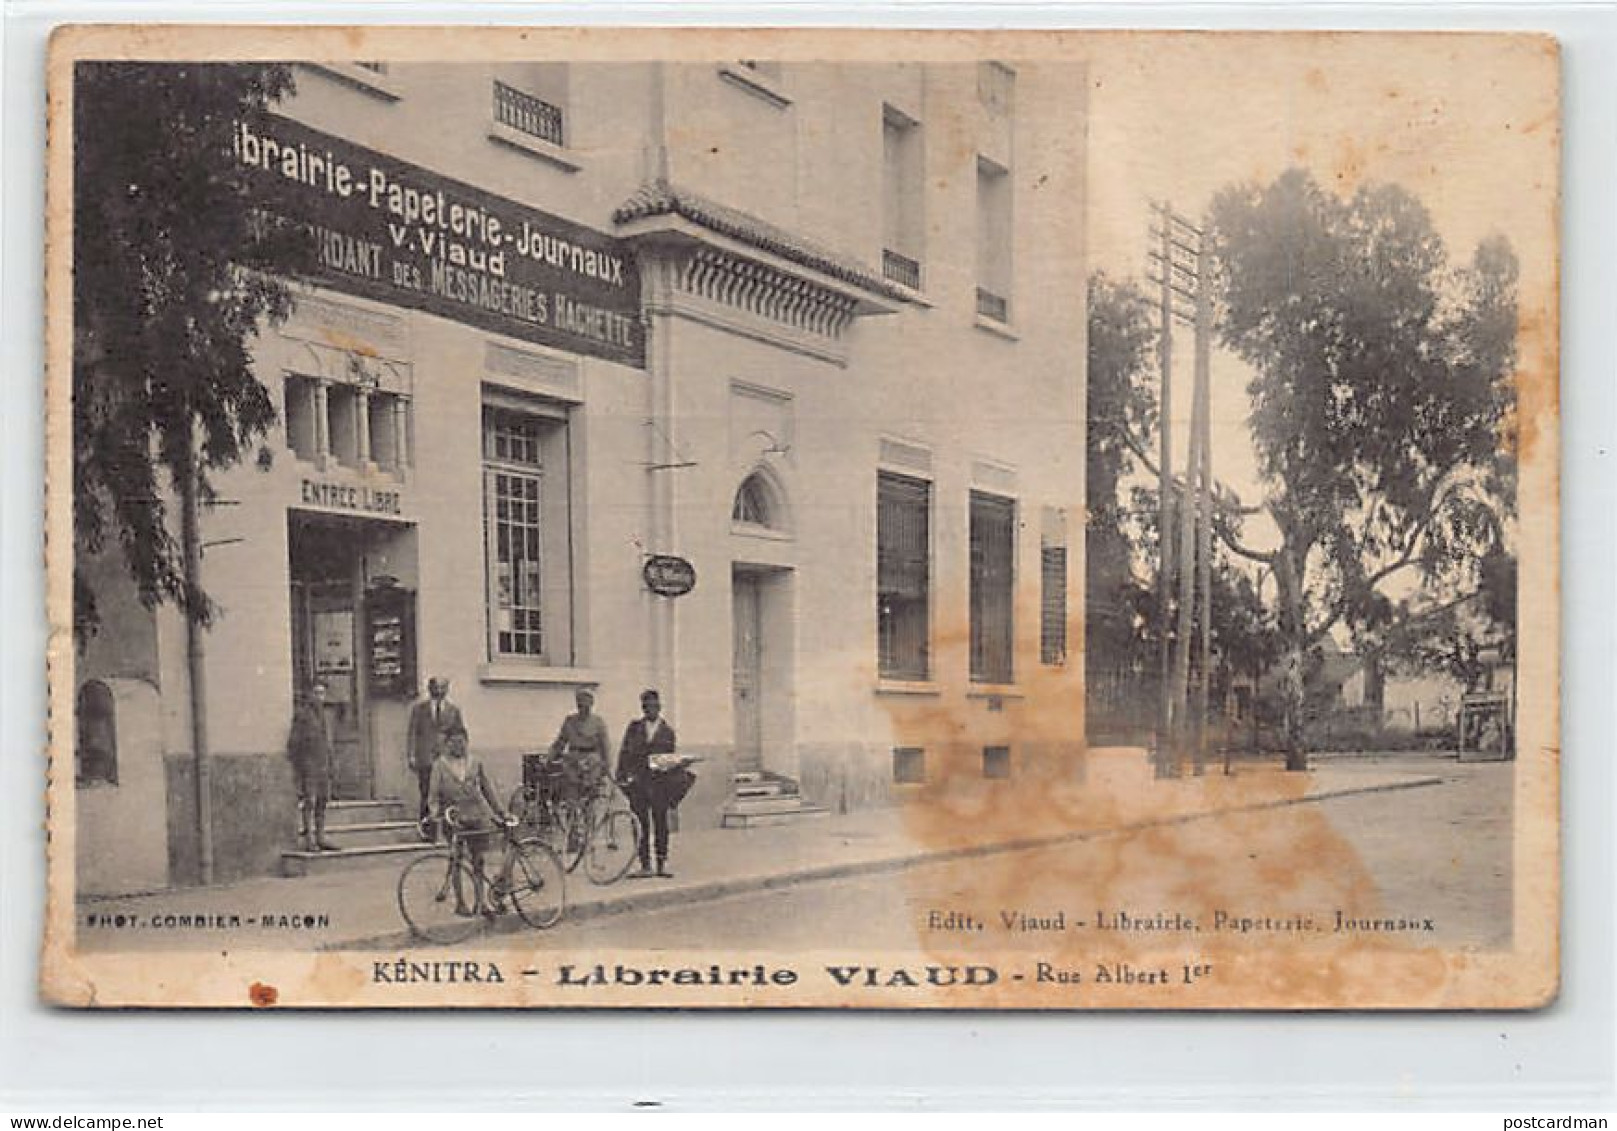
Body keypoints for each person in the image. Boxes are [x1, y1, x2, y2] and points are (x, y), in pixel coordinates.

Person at [426, 724, 515, 917]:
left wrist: (501, 811)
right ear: (446, 744)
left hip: (476, 816)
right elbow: (433, 795)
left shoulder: (475, 763)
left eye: (462, 742)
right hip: (454, 818)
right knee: (456, 860)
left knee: (478, 860)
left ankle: (482, 902)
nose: (458, 747)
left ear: (467, 742)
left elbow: (487, 789)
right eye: (453, 743)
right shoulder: (439, 766)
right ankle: (460, 903)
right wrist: (435, 814)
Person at [616, 689, 681, 878]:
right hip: (638, 783)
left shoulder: (667, 731)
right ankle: (645, 865)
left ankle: (661, 863)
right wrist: (622, 776)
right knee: (639, 824)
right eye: (646, 706)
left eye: (653, 705)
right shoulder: (634, 728)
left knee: (660, 823)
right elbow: (624, 753)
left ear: (659, 707)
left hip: (660, 784)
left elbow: (670, 759)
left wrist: (671, 767)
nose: (649, 709)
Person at [406, 677, 463, 835]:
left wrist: (459, 756)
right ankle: (427, 831)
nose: (439, 691)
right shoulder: (419, 709)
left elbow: (459, 734)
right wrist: (411, 755)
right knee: (426, 794)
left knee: (447, 795)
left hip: (446, 759)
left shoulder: (453, 710)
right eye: (436, 687)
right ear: (429, 689)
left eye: (443, 688)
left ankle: (447, 831)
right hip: (425, 758)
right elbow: (412, 733)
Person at [286, 681, 338, 852]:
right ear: (310, 695)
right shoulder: (302, 715)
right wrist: (300, 765)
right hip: (309, 764)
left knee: (322, 800)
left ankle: (320, 836)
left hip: (324, 764)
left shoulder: (327, 716)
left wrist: (331, 763)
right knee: (310, 800)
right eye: (316, 693)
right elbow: (294, 743)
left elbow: (328, 742)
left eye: (322, 693)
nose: (319, 697)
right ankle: (309, 838)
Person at [548, 687, 612, 806]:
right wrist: (551, 756)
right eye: (580, 704)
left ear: (592, 704)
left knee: (590, 795)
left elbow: (605, 745)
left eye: (586, 704)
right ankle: (572, 817)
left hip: (591, 762)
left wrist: (606, 766)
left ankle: (589, 819)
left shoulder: (598, 722)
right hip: (573, 760)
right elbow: (560, 742)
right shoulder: (570, 721)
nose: (583, 707)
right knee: (571, 793)